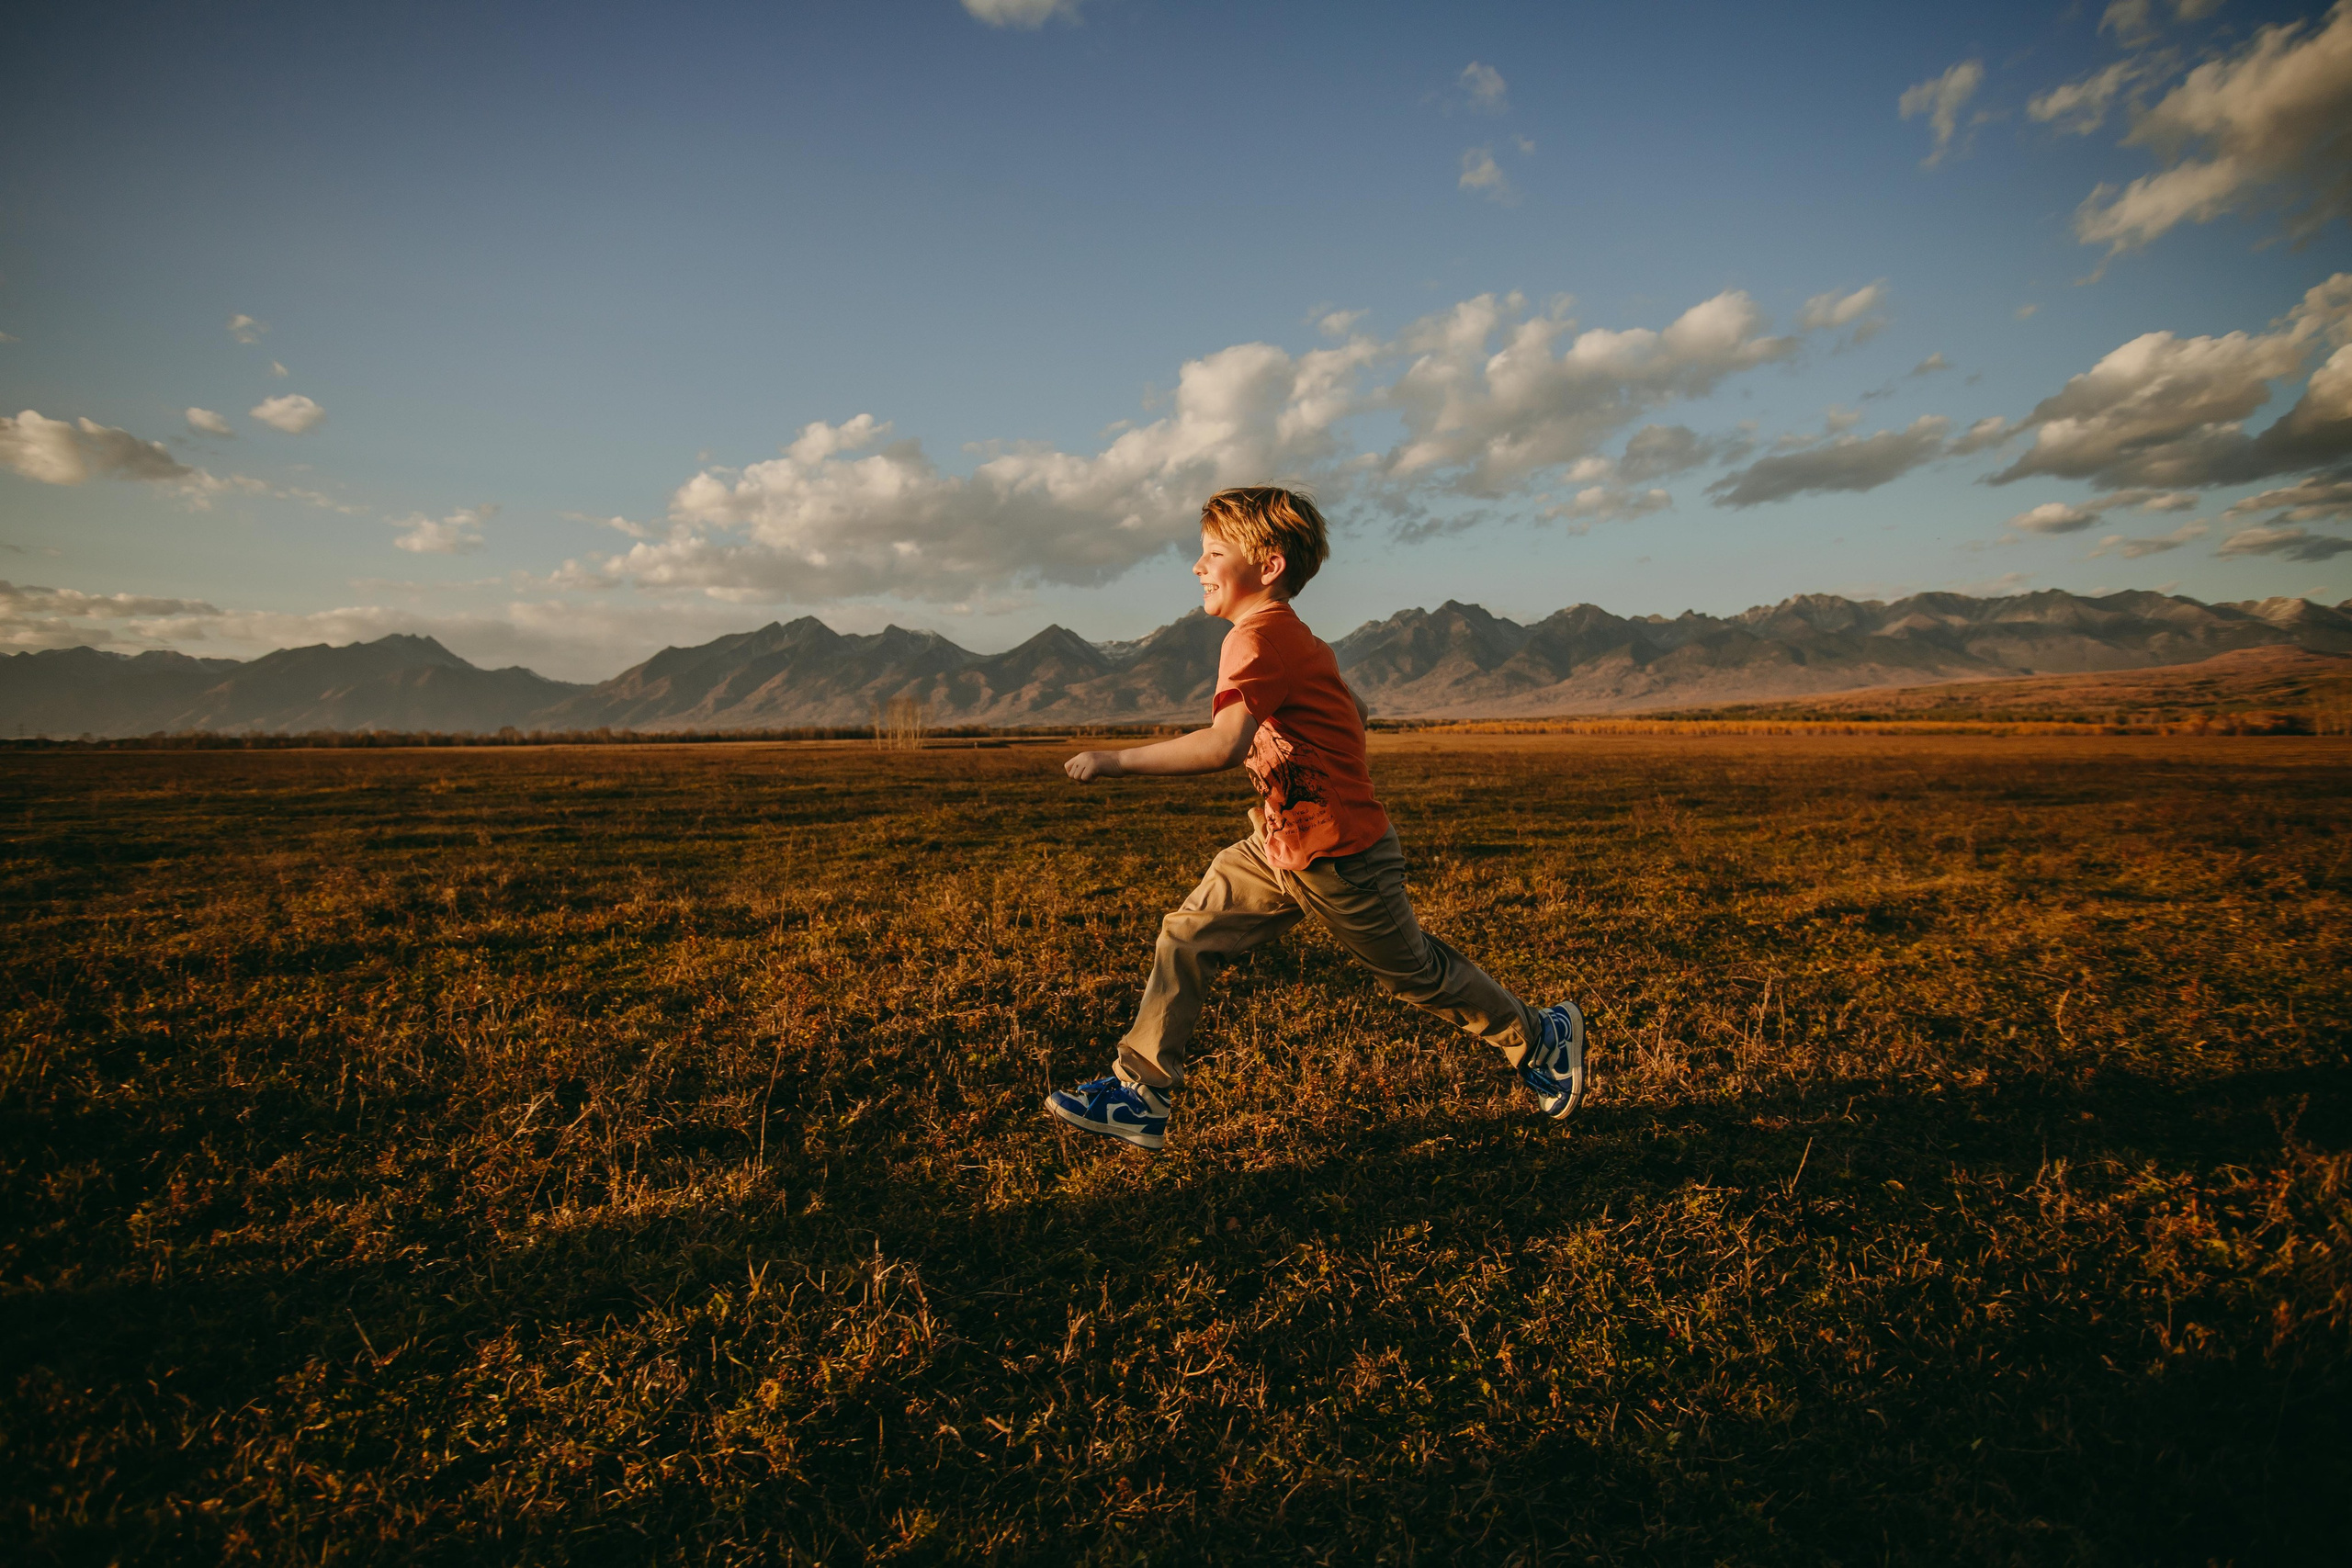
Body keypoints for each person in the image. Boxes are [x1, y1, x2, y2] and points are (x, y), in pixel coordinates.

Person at [1045, 485, 1586, 1151]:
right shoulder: (1293, 638)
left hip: (1342, 856)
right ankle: (1140, 1092)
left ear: (1267, 565)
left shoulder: (1257, 640)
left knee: (1415, 972)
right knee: (1187, 935)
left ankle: (1540, 1037)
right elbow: (1355, 711)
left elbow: (1223, 745)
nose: (1197, 565)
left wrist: (1114, 759)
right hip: (1277, 844)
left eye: (1213, 552)